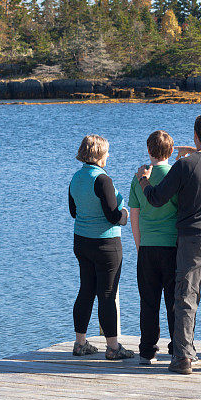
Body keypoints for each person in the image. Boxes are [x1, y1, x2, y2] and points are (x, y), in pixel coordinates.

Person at [135, 113, 201, 375]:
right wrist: (195, 150)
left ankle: (183, 358)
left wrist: (144, 181)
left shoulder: (184, 166)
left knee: (186, 298)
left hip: (192, 239)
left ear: (194, 134)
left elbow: (157, 198)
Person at [68, 134, 133, 360]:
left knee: (86, 290)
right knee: (107, 294)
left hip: (81, 241)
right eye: (106, 152)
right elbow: (113, 216)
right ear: (98, 155)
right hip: (105, 244)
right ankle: (113, 347)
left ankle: (80, 343)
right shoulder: (103, 179)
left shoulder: (76, 178)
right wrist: (125, 214)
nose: (108, 155)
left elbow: (73, 212)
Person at [129, 130, 178, 364]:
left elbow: (134, 216)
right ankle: (177, 347)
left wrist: (139, 246)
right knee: (174, 301)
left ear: (148, 151)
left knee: (148, 302)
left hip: (147, 247)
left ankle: (147, 350)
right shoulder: (177, 175)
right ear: (171, 151)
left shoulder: (138, 177)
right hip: (173, 246)